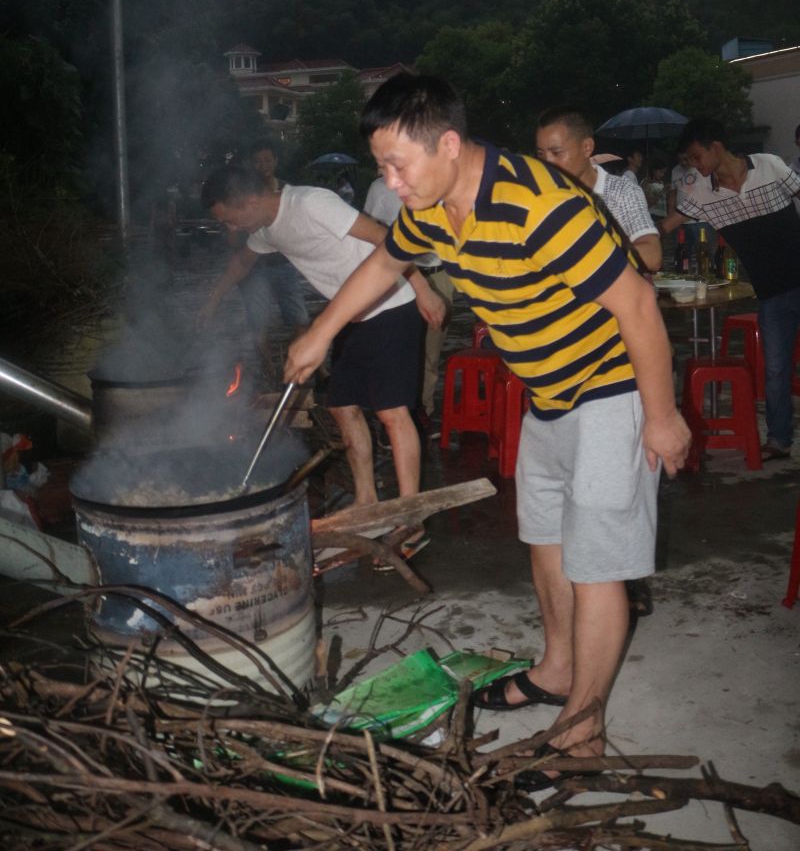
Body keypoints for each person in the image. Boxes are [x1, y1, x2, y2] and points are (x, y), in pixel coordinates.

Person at [285, 75, 689, 784]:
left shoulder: (539, 205)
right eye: (382, 167)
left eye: (397, 166)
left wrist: (661, 418)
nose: (390, 183)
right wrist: (321, 332)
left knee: (597, 565)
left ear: (447, 144)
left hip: (610, 387)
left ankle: (582, 732)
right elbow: (386, 261)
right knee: (547, 540)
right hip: (546, 396)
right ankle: (557, 671)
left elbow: (638, 305)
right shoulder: (435, 209)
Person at [198, 164, 445, 558]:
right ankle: (366, 500)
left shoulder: (312, 204)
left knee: (392, 412)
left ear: (249, 201)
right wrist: (211, 302)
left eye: (230, 219)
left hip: (393, 306)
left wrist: (423, 288)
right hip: (349, 316)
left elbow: (388, 238)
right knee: (342, 406)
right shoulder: (265, 230)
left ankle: (410, 519)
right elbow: (242, 262)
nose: (231, 229)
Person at [662, 117, 800, 461]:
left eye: (697, 156)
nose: (694, 165)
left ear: (716, 147)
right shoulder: (701, 191)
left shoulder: (769, 166)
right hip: (772, 293)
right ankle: (779, 440)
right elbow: (669, 224)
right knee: (776, 369)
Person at [364, 174, 454, 434]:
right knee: (394, 348)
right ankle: (392, 413)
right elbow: (368, 232)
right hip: (397, 279)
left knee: (431, 351)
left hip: (438, 274)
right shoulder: (380, 187)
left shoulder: (440, 179)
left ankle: (423, 410)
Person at [535, 108, 662, 273]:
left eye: (556, 152)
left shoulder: (620, 191)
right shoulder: (539, 197)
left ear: (587, 147)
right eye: (541, 155)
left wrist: (583, 253)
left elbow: (652, 256)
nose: (547, 163)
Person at [233, 140, 310, 377]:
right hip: (254, 267)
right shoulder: (244, 193)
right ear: (251, 164)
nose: (263, 165)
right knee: (258, 322)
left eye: (267, 160)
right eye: (257, 161)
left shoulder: (287, 190)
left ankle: (297, 361)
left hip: (283, 264)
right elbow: (234, 230)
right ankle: (268, 369)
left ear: (276, 161)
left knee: (300, 317)